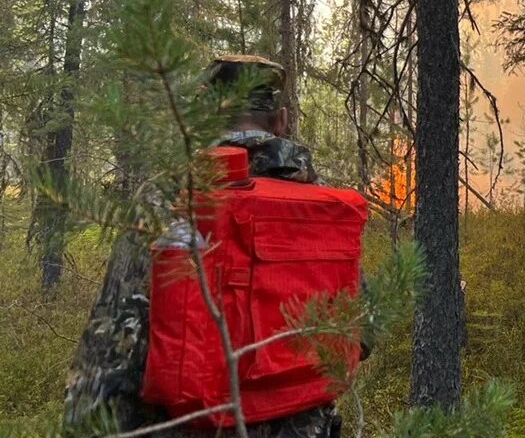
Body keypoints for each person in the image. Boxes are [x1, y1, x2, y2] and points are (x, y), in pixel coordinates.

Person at [64, 55, 347, 438]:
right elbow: (360, 329)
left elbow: (113, 348)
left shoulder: (170, 200)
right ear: (281, 120)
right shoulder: (325, 206)